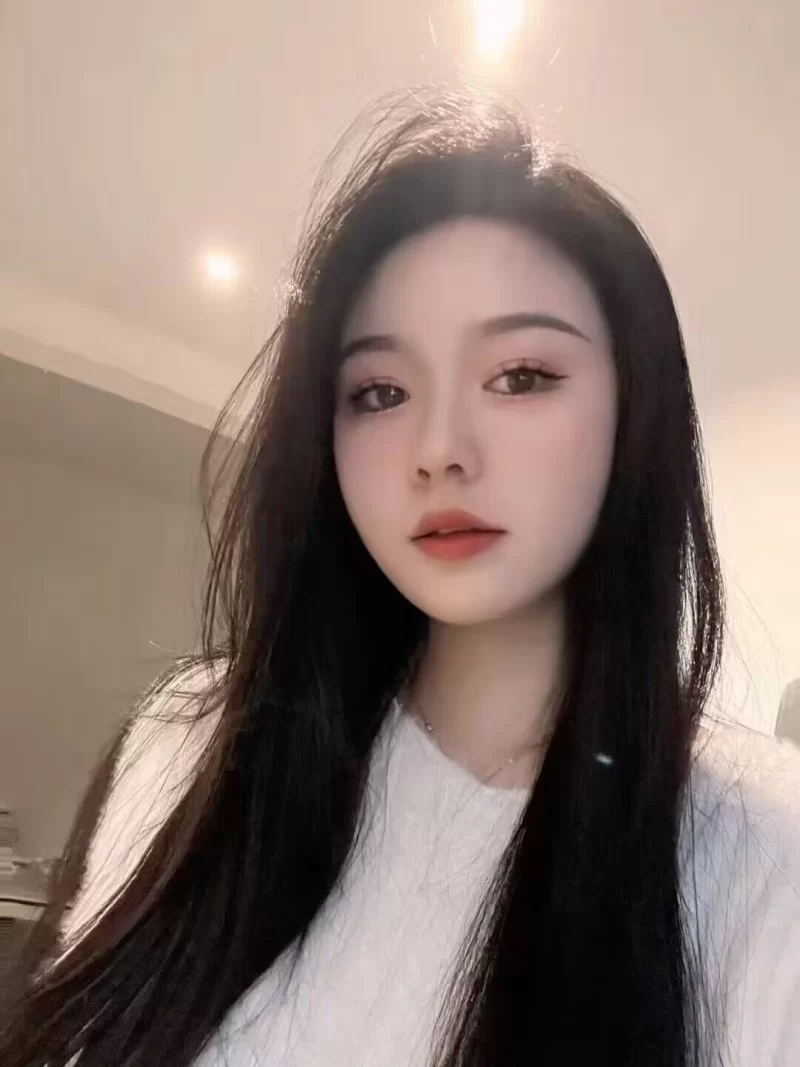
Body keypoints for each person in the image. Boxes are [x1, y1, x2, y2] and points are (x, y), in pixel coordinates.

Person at [2, 88, 798, 1067]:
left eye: (519, 376)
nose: (438, 448)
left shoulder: (764, 859)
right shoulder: (185, 746)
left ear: (637, 409)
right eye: (379, 391)